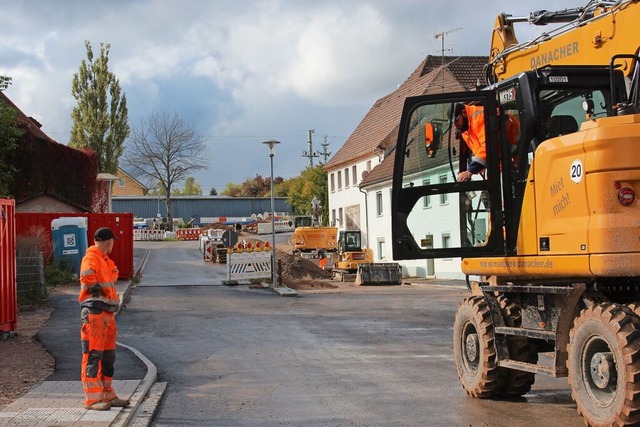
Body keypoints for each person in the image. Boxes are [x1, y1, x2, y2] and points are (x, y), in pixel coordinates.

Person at [78, 227, 130, 411]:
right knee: (93, 355)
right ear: (108, 241)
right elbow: (87, 278)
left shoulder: (104, 260)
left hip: (107, 313)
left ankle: (107, 394)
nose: (113, 245)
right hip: (94, 313)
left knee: (108, 356)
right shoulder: (91, 258)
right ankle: (92, 400)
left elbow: (113, 273)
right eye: (112, 242)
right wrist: (99, 290)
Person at [454, 102, 519, 182]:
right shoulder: (465, 129)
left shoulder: (479, 117)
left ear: (464, 112)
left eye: (456, 121)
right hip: (499, 160)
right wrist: (475, 166)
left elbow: (487, 145)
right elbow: (480, 151)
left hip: (514, 152)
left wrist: (470, 170)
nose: (455, 125)